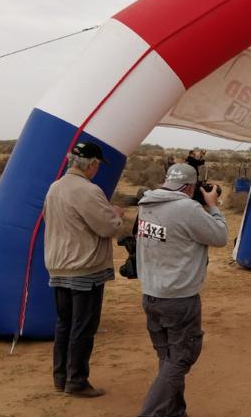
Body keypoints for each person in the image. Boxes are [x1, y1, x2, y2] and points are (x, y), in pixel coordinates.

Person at [136, 163, 228, 417]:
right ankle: (152, 413)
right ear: (189, 187)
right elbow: (220, 236)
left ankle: (175, 411)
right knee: (181, 358)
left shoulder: (146, 203)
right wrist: (212, 205)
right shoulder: (188, 208)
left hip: (152, 294)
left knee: (168, 359)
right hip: (179, 298)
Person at [43, 141, 125, 397]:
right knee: (83, 328)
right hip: (84, 268)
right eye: (97, 165)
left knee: (64, 324)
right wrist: (116, 213)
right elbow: (109, 227)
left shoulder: (54, 187)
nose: (97, 170)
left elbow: (48, 217)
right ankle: (77, 381)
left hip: (58, 267)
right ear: (91, 164)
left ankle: (61, 378)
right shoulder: (89, 191)